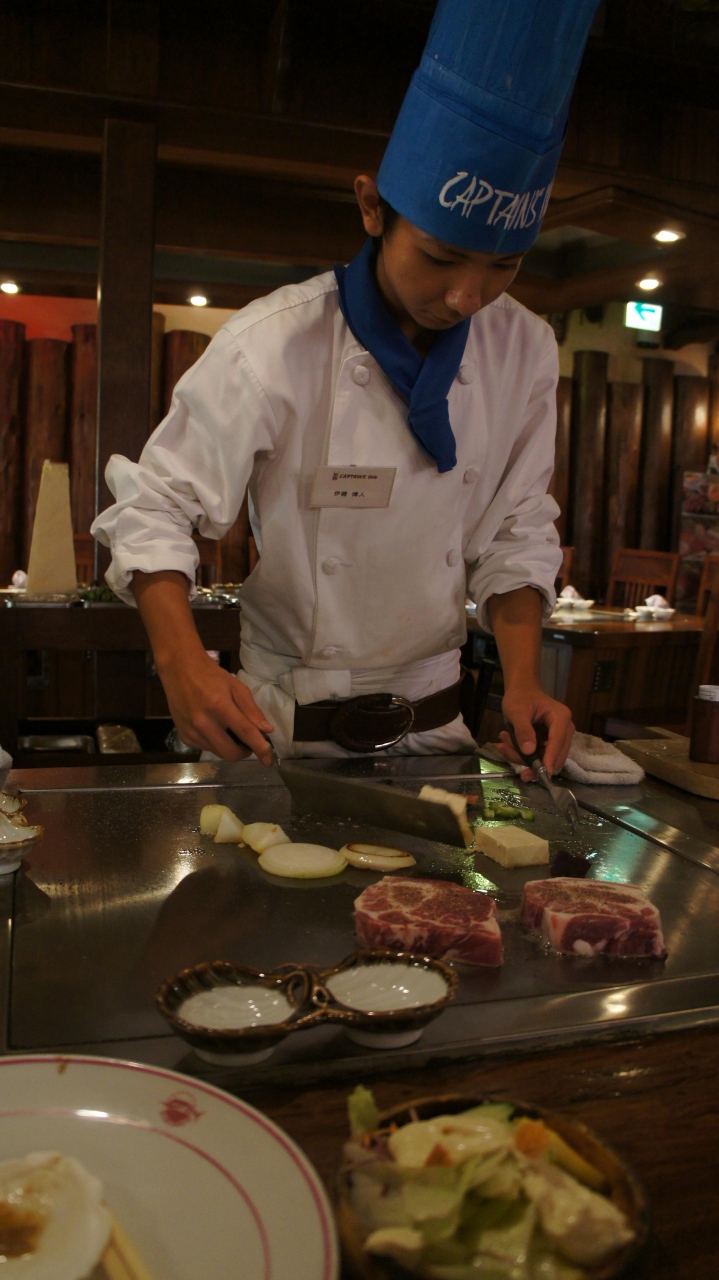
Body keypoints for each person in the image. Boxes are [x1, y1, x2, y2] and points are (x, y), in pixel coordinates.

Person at [92, 0, 601, 774]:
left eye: (503, 265)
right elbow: (153, 506)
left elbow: (514, 528)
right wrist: (181, 664)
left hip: (438, 735)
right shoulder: (273, 343)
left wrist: (525, 681)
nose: (466, 296)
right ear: (371, 208)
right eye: (439, 257)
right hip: (278, 738)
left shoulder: (522, 347)